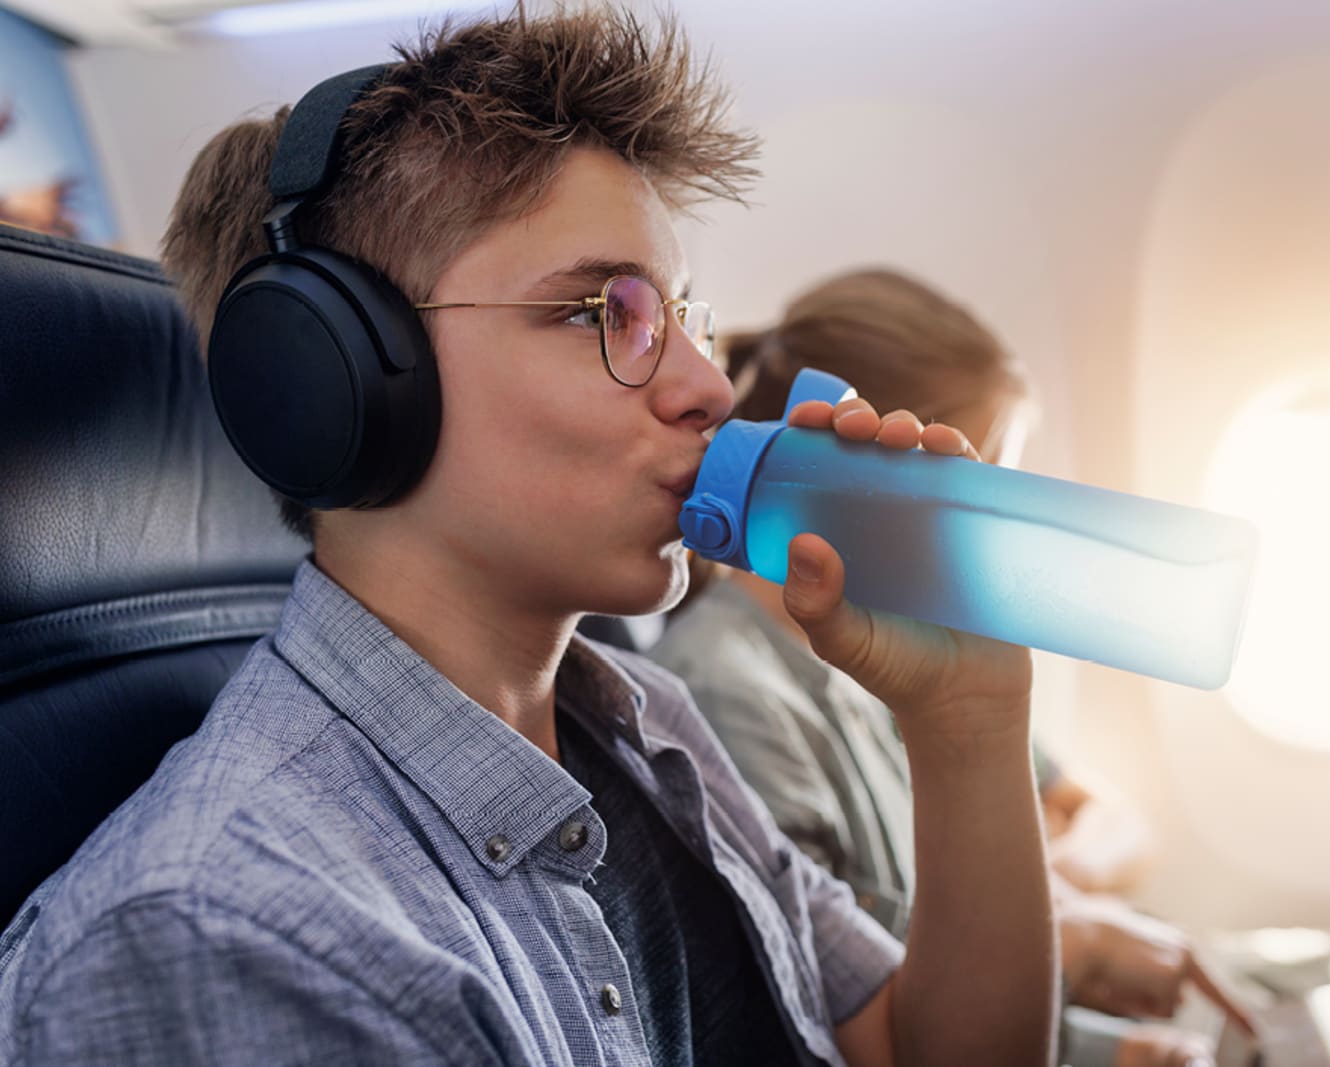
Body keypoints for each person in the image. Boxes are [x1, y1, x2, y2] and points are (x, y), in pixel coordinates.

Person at [0, 11, 1058, 1067]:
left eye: (680, 313)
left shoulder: (644, 727)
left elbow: (912, 1042)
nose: (702, 384)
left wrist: (966, 722)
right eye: (604, 311)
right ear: (334, 377)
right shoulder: (230, 943)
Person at [650, 267, 1245, 1067]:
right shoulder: (725, 690)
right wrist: (1071, 945)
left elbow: (1114, 821)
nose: (994, 518)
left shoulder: (907, 648)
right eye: (982, 478)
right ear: (870, 470)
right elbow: (831, 1014)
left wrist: (1048, 879)